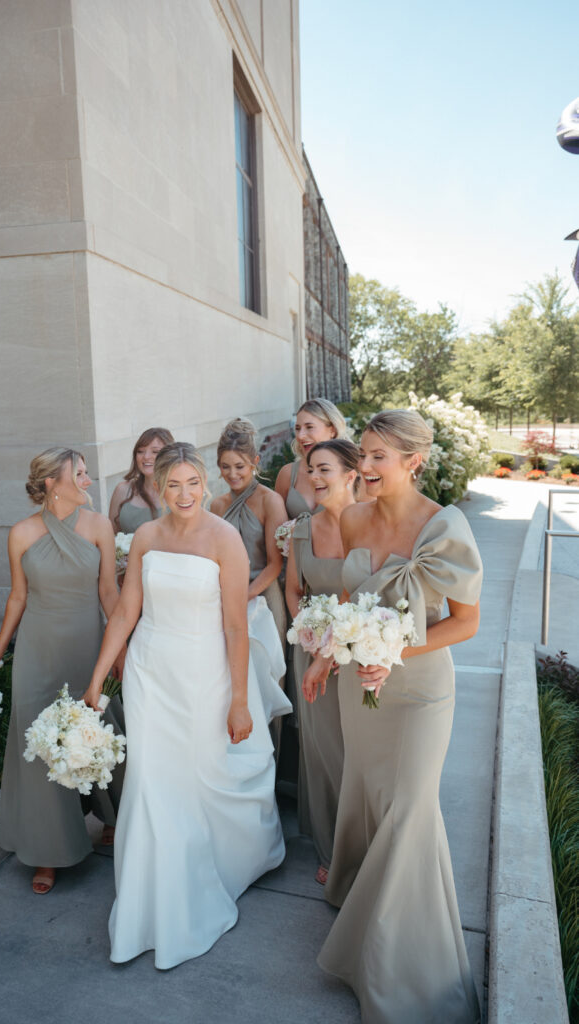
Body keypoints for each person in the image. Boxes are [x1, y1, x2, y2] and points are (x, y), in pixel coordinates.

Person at [303, 410, 483, 1024]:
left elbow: (466, 621)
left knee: (409, 808)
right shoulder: (352, 518)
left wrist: (394, 651)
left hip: (420, 691)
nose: (368, 467)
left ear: (413, 461)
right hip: (360, 690)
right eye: (366, 455)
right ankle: (366, 909)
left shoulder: (444, 526)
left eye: (381, 456)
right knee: (372, 795)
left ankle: (399, 970)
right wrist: (329, 657)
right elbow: (352, 599)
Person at [83, 442, 285, 969]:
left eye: (192, 482)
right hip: (151, 671)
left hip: (204, 674)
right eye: (173, 484)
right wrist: (100, 676)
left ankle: (210, 874)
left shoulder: (226, 540)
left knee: (197, 777)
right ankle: (147, 902)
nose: (184, 493)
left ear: (206, 482)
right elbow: (127, 611)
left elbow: (237, 626)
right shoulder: (147, 536)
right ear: (159, 486)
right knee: (151, 781)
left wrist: (240, 701)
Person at [0, 448, 124, 895]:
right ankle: (49, 851)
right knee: (39, 745)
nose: (88, 480)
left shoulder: (100, 525)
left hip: (88, 646)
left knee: (99, 730)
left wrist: (120, 649)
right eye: (79, 474)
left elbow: (109, 593)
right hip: (37, 653)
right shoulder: (21, 533)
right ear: (51, 483)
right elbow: (17, 597)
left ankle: (108, 815)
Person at [285, 438, 359, 885]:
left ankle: (364, 845)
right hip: (310, 649)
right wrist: (309, 632)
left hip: (356, 650)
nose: (314, 478)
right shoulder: (300, 528)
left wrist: (332, 644)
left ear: (351, 474)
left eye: (325, 470)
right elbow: (294, 589)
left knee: (357, 750)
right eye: (311, 469)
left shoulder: (368, 526)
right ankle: (332, 848)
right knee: (323, 748)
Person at [210, 419, 291, 748]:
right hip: (224, 598)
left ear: (255, 463)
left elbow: (276, 563)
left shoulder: (270, 501)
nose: (233, 474)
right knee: (228, 675)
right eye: (225, 467)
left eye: (240, 466)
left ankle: (271, 752)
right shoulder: (216, 505)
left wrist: (247, 594)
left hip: (263, 595)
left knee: (268, 674)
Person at [275, 398, 349, 518]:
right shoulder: (287, 474)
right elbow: (278, 528)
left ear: (332, 430)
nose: (300, 436)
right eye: (297, 428)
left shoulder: (352, 473)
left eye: (309, 427)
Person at [108, 428, 174, 534]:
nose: (146, 457)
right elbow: (111, 536)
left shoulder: (179, 492)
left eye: (155, 452)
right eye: (140, 451)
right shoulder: (122, 490)